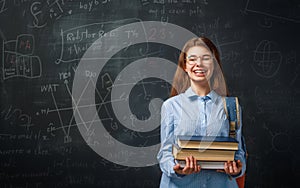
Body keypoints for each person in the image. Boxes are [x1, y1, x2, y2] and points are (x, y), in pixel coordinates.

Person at [157, 37, 246, 188]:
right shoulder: (171, 106)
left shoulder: (231, 106)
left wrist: (237, 169)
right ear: (185, 66)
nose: (199, 64)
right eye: (192, 59)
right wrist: (177, 169)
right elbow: (165, 154)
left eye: (206, 58)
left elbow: (239, 154)